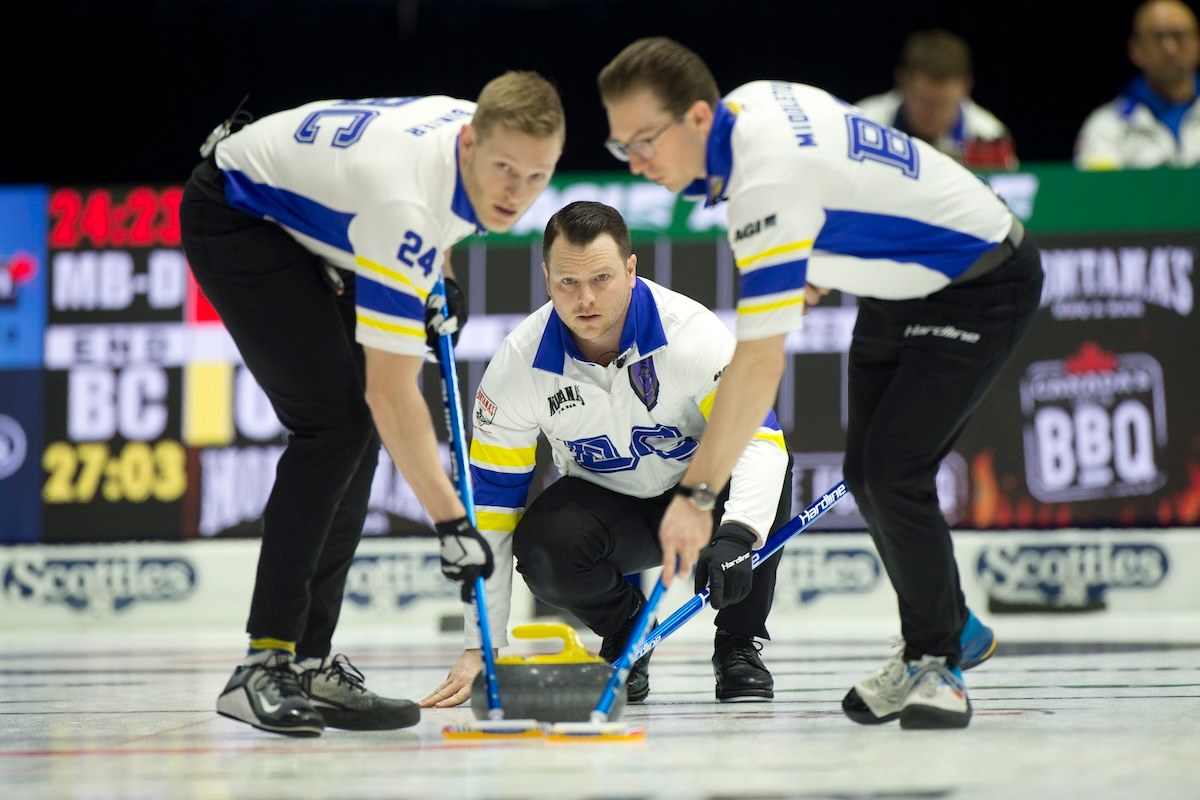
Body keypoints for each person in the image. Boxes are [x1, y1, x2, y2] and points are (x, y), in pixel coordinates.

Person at [598, 37, 1037, 730]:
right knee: (866, 476)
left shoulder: (764, 189)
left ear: (700, 119)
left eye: (646, 139)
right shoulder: (758, 100)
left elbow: (758, 366)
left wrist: (698, 495)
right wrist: (820, 260)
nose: (639, 160)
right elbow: (851, 170)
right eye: (623, 146)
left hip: (981, 281)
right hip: (899, 286)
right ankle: (952, 626)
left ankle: (937, 662)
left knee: (895, 474)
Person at [179, 73, 565, 737]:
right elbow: (389, 392)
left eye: (537, 177)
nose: (516, 193)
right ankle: (262, 664)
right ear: (471, 141)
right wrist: (452, 524)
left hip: (331, 216)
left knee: (354, 435)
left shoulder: (482, 139)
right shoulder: (401, 210)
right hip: (240, 215)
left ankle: (307, 661)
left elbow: (441, 208)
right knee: (334, 424)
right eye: (504, 170)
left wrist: (438, 276)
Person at [419, 200, 793, 709]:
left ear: (631, 270)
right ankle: (628, 629)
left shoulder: (690, 333)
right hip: (617, 513)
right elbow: (491, 515)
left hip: (706, 495)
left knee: (768, 465)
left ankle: (738, 646)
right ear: (546, 277)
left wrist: (739, 532)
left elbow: (759, 440)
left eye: (602, 278)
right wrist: (480, 643)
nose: (586, 298)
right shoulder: (515, 369)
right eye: (568, 283)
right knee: (544, 547)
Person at [855, 28, 1018, 170]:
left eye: (944, 103)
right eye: (924, 101)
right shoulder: (863, 123)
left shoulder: (990, 138)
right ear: (901, 83)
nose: (933, 113)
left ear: (966, 89)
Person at [1075, 0, 1200, 169]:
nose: (1170, 48)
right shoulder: (1106, 126)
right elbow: (1099, 192)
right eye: (1158, 37)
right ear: (1136, 49)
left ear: (1197, 44)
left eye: (1179, 36)